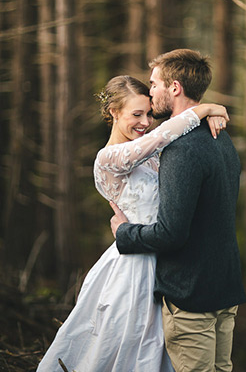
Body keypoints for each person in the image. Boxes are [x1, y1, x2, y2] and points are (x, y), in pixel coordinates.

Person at [36, 74, 229, 372]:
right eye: (136, 114)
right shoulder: (110, 158)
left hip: (166, 256)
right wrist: (206, 108)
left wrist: (209, 115)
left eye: (149, 113)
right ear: (114, 112)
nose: (145, 122)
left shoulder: (151, 154)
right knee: (129, 344)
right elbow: (161, 136)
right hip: (135, 265)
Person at [110, 49, 246, 372]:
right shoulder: (221, 137)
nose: (150, 91)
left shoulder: (181, 149)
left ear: (174, 87)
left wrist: (124, 233)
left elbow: (171, 234)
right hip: (225, 287)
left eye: (154, 84)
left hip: (192, 295)